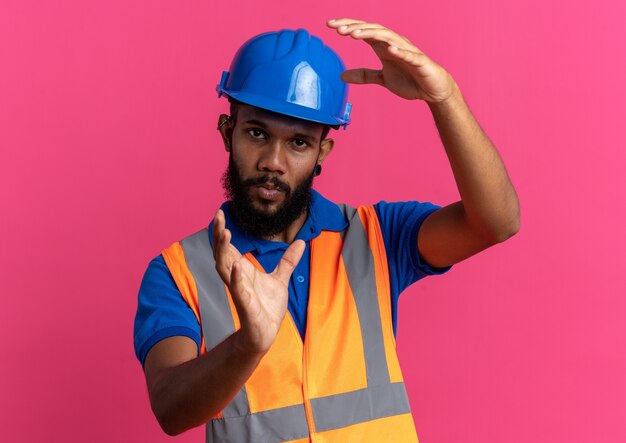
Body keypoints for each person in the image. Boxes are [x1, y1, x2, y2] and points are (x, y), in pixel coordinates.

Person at [133, 18, 520, 442]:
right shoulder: (179, 270)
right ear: (228, 133)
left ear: (323, 151)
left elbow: (496, 223)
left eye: (298, 142)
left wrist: (444, 98)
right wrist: (248, 346)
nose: (273, 162)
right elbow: (169, 409)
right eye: (257, 133)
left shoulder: (376, 237)